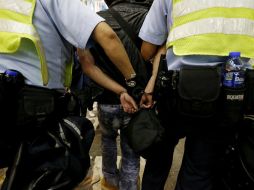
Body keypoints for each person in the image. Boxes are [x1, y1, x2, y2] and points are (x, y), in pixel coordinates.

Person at [0, 0, 140, 189]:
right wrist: (131, 83)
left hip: (9, 96)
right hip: (35, 104)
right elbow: (106, 36)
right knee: (44, 172)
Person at [139, 0, 254, 190]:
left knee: (159, 155)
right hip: (230, 94)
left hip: (177, 91)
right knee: (199, 170)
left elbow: (147, 49)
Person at [81, 0, 153, 189]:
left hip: (107, 99)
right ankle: (128, 185)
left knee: (107, 139)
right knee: (131, 148)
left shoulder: (96, 20)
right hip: (137, 99)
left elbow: (88, 63)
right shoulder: (148, 18)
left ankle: (109, 180)